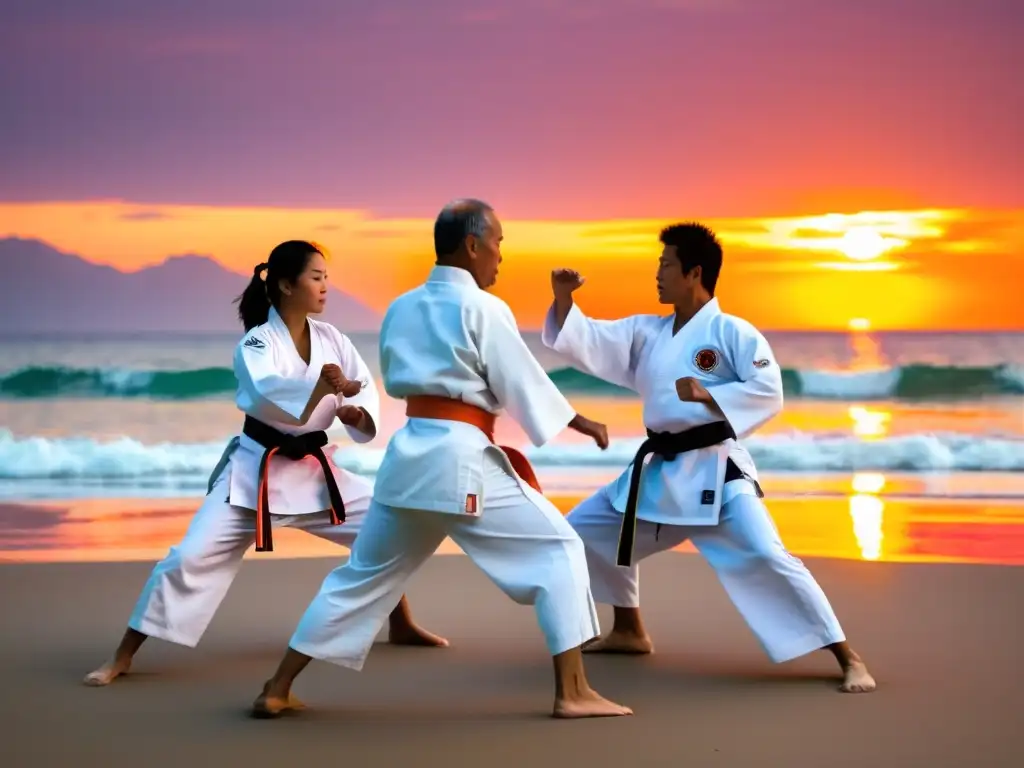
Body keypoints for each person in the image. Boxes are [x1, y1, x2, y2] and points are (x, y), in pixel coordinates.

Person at [250, 201, 633, 719]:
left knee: (361, 578)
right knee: (561, 549)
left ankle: (277, 687)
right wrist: (578, 421)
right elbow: (517, 378)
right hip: (459, 462)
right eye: (497, 242)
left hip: (406, 460)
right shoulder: (484, 308)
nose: (501, 255)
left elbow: (398, 375)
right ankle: (573, 692)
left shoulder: (401, 308)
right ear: (472, 245)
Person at [83, 240, 446, 688]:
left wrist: (354, 411)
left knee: (389, 526)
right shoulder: (257, 341)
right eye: (316, 277)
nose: (325, 286)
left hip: (315, 473)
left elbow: (360, 389)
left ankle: (401, 622)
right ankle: (121, 656)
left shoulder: (333, 339)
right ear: (286, 285)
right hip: (254, 476)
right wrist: (321, 387)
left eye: (327, 277)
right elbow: (268, 392)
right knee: (187, 559)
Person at [541, 222, 876, 694]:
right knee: (584, 532)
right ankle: (629, 629)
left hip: (718, 473)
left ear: (694, 272)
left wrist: (709, 395)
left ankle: (847, 656)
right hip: (661, 472)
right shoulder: (647, 331)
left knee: (765, 554)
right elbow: (589, 338)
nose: (657, 274)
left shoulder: (733, 332)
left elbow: (769, 391)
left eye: (666, 265)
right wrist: (563, 299)